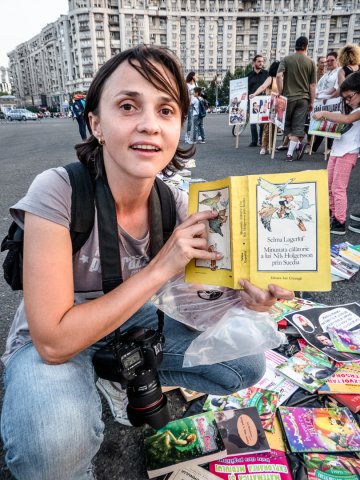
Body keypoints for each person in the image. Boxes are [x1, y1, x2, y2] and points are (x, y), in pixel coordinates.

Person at [0, 45, 294, 479]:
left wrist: (243, 300)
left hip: (134, 322)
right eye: (128, 106)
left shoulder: (173, 203)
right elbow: (53, 342)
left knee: (246, 361)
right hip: (59, 336)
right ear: (96, 123)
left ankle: (116, 374)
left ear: (178, 126)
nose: (149, 125)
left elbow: (189, 304)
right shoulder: (59, 190)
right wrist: (162, 266)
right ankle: (94, 383)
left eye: (166, 110)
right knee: (52, 446)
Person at [313, 72, 360, 235]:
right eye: (345, 98)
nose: (347, 101)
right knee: (329, 186)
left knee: (338, 187)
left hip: (348, 153)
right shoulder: (350, 107)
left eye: (349, 97)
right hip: (336, 151)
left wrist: (325, 114)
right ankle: (332, 214)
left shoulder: (358, 111)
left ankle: (340, 220)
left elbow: (347, 120)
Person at [276, 36, 316, 162]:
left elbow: (278, 76)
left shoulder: (286, 59)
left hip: (288, 98)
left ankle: (294, 147)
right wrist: (312, 101)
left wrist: (281, 91)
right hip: (303, 98)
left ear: (295, 46)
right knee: (298, 127)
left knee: (286, 124)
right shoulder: (311, 62)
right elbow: (313, 85)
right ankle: (291, 152)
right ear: (306, 46)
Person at [311, 51, 340, 154]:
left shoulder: (339, 72)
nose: (329, 63)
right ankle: (314, 148)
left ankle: (329, 148)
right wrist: (316, 95)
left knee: (331, 125)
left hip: (332, 102)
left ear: (337, 60)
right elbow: (318, 87)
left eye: (332, 60)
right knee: (321, 124)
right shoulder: (326, 74)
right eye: (328, 61)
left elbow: (336, 88)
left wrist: (328, 97)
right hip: (320, 102)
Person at [250, 60, 280, 155]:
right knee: (267, 126)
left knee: (275, 127)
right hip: (269, 105)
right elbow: (263, 87)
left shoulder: (281, 78)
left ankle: (271, 146)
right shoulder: (270, 78)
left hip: (278, 105)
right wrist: (254, 94)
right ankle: (264, 147)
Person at [247, 54, 269, 147]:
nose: (261, 63)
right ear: (254, 62)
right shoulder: (249, 75)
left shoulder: (266, 73)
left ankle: (261, 141)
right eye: (259, 61)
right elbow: (246, 89)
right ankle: (254, 141)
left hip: (263, 100)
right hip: (252, 100)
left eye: (262, 61)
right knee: (253, 122)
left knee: (262, 123)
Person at [185, 71, 197, 143]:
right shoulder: (187, 85)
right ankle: (187, 137)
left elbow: (196, 93)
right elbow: (187, 94)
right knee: (189, 121)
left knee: (194, 121)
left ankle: (196, 136)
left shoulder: (195, 84)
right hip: (189, 104)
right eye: (195, 75)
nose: (196, 77)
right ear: (192, 76)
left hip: (195, 104)